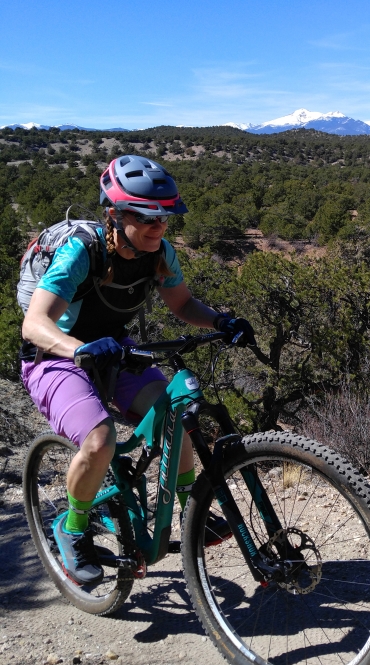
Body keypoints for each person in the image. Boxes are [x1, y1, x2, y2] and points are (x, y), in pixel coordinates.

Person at [20, 155, 255, 586]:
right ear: (115, 215)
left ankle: (191, 509)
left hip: (115, 349)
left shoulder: (159, 252)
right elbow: (35, 324)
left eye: (166, 219)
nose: (159, 228)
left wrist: (222, 321)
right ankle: (71, 528)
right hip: (53, 355)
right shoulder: (81, 252)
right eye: (148, 219)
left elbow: (182, 304)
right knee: (100, 440)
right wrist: (80, 349)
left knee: (176, 414)